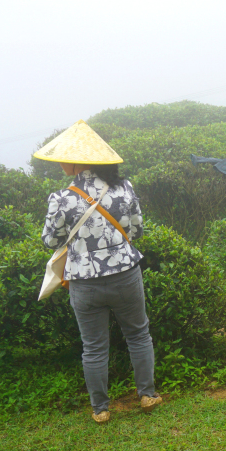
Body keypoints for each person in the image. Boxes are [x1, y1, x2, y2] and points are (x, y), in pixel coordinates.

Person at [34, 120, 161, 424]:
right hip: (125, 275)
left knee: (93, 347)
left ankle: (100, 409)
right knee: (138, 335)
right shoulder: (124, 188)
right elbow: (137, 230)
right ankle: (147, 394)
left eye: (65, 156)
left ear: (79, 161)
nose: (61, 162)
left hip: (84, 283)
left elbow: (50, 240)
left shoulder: (62, 198)